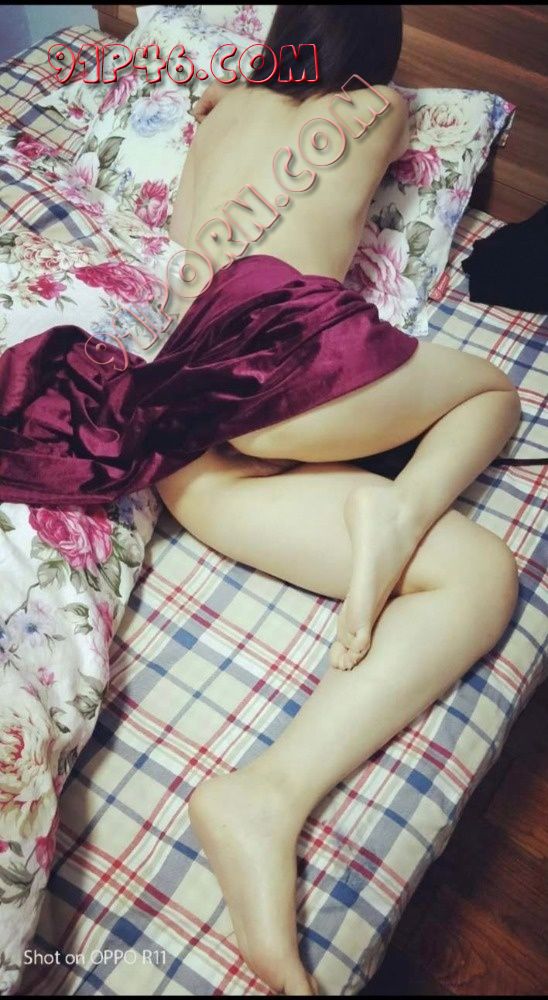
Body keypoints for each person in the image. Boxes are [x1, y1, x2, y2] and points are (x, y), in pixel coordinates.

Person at [154, 5, 520, 995]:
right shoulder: (375, 109)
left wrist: (243, 80)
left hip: (184, 423)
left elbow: (256, 92)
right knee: (493, 394)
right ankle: (395, 511)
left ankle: (264, 797)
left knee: (476, 577)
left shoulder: (220, 111)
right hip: (288, 363)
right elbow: (385, 117)